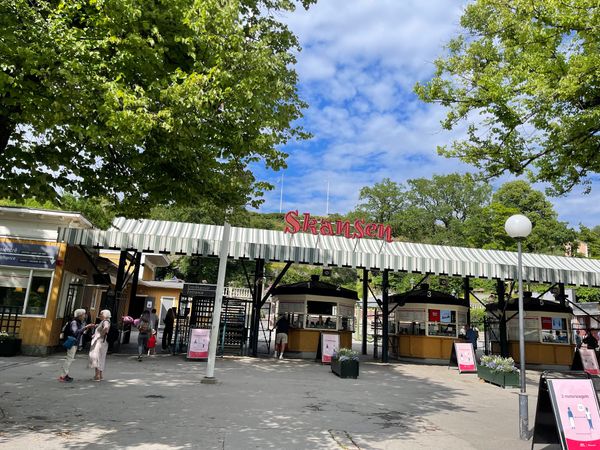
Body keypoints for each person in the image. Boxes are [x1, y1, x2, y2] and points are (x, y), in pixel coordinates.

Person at [59, 308, 95, 382]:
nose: (85, 316)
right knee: (69, 359)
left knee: (69, 359)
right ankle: (63, 376)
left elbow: (78, 332)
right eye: (84, 314)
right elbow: (75, 332)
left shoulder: (77, 322)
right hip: (72, 343)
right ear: (80, 315)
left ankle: (65, 375)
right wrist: (85, 327)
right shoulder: (74, 322)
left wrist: (85, 328)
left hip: (74, 342)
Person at [89, 309, 111, 381]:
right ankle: (100, 375)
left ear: (106, 315)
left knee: (97, 358)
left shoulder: (105, 321)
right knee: (101, 358)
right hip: (103, 342)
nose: (100, 315)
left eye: (101, 314)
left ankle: (97, 375)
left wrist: (99, 335)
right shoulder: (105, 321)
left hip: (100, 342)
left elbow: (106, 328)